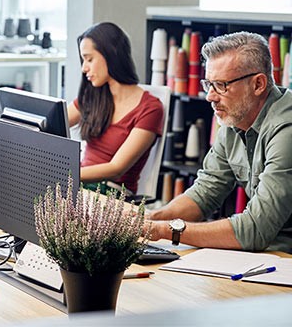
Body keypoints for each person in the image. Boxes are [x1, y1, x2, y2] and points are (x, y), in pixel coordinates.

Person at [147, 32, 292, 251]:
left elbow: (254, 229)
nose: (210, 96)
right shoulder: (235, 121)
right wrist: (150, 219)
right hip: (268, 258)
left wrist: (161, 230)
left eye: (221, 85)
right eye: (208, 84)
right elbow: (205, 192)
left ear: (258, 84)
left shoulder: (286, 129)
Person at [67, 22, 163, 195]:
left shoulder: (150, 109)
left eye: (89, 59)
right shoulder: (94, 97)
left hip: (113, 195)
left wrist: (65, 176)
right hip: (80, 187)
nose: (84, 68)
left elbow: (116, 168)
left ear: (111, 54)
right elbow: (53, 121)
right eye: (83, 60)